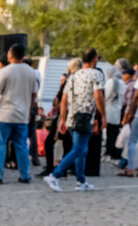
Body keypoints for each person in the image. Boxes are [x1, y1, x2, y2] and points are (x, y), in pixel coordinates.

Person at [43, 49, 105, 192]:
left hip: (72, 116)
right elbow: (98, 96)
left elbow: (64, 99)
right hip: (85, 116)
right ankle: (55, 174)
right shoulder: (96, 74)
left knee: (81, 148)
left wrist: (63, 119)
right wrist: (103, 116)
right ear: (95, 59)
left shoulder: (73, 76)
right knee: (79, 149)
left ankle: (80, 180)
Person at [0, 44, 37, 184]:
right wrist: (28, 111)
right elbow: (33, 95)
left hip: (4, 115)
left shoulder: (5, 72)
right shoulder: (31, 72)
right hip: (22, 116)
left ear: (11, 55)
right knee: (21, 146)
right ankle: (25, 175)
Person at [103, 64, 127, 160]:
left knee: (109, 134)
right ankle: (112, 152)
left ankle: (108, 153)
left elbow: (106, 95)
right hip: (117, 111)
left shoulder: (112, 82)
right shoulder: (122, 82)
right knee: (114, 134)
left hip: (109, 110)